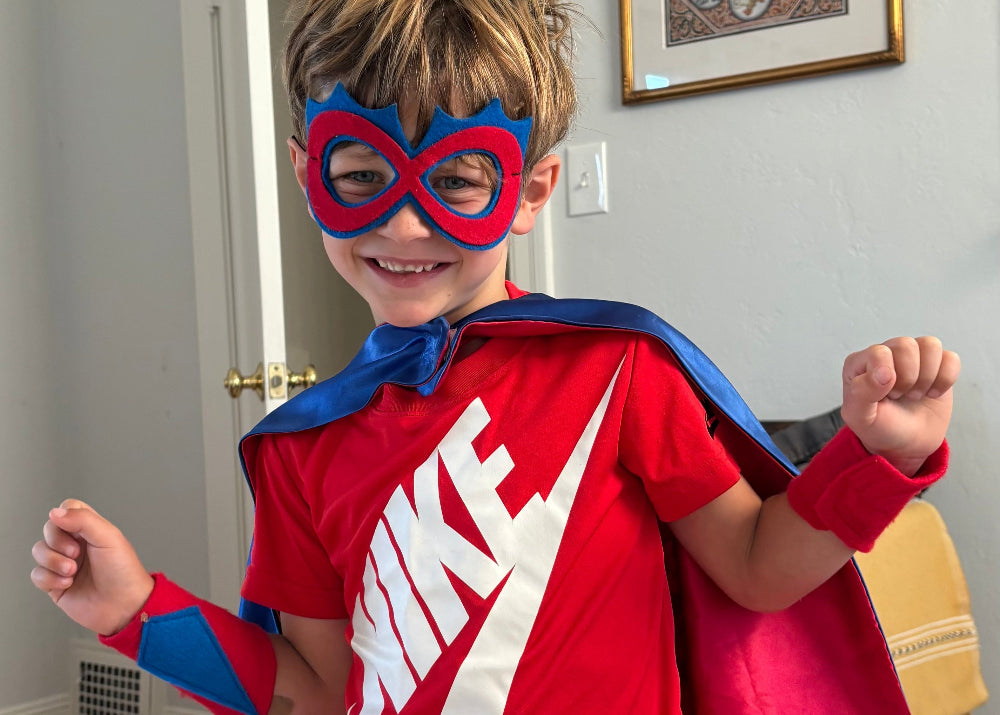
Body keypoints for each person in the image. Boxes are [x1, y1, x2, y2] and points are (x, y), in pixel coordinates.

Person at [31, 1, 961, 713]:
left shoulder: (616, 369)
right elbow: (315, 688)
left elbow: (758, 566)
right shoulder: (297, 448)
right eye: (361, 175)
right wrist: (138, 612)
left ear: (530, 191)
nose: (404, 224)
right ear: (308, 173)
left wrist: (881, 457)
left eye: (455, 178)